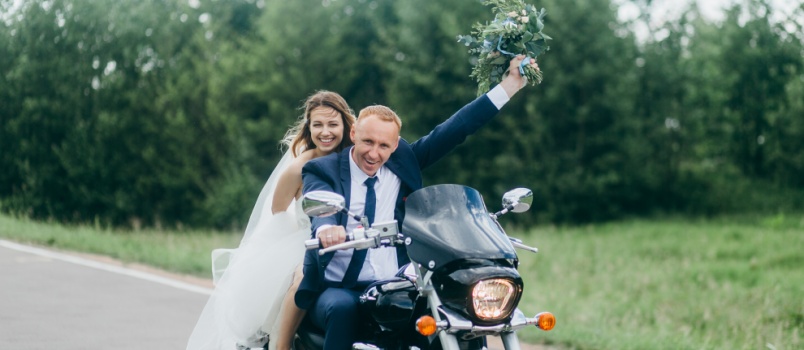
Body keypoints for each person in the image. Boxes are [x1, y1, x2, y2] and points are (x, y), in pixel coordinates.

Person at [297, 55, 539, 350]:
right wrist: (326, 229)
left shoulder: (403, 162)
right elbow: (318, 204)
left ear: (395, 145)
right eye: (368, 142)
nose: (374, 153)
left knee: (449, 310)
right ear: (354, 134)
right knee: (343, 309)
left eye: (384, 145)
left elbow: (457, 128)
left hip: (394, 282)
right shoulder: (323, 169)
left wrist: (511, 85)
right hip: (339, 286)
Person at [186, 91, 356, 350]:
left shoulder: (356, 159)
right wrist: (296, 238)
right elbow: (278, 210)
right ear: (308, 127)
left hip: (351, 237)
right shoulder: (298, 168)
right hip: (308, 239)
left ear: (345, 124)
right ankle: (282, 344)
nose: (325, 132)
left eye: (333, 124)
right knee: (302, 277)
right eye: (318, 125)